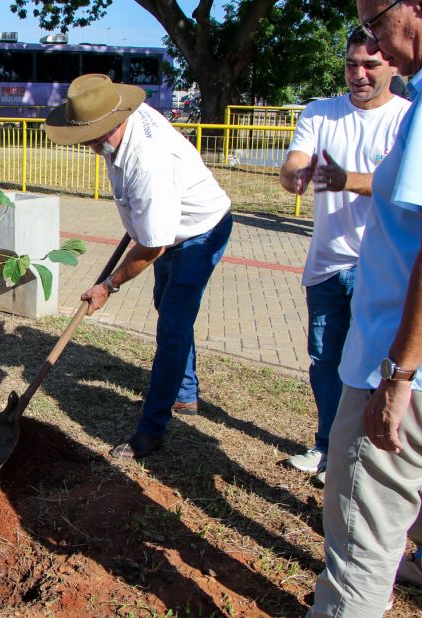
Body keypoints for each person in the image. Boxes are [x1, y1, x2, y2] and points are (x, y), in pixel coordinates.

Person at [45, 74, 232, 459]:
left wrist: (107, 286)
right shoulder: (127, 116)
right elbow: (149, 232)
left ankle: (152, 429)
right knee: (167, 304)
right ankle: (184, 393)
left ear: (115, 121)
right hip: (168, 227)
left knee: (172, 328)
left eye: (96, 137)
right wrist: (139, 218)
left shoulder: (148, 163)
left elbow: (152, 247)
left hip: (198, 233)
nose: (91, 145)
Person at [308, 0, 422, 614]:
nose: (370, 42)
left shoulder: (419, 109)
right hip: (392, 353)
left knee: (359, 540)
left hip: (397, 366)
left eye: (376, 22)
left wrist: (401, 374)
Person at [279, 28, 409, 486]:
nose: (359, 74)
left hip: (379, 270)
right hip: (326, 265)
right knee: (325, 362)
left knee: (371, 369)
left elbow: (391, 185)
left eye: (370, 65)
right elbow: (294, 162)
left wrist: (345, 179)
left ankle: (362, 459)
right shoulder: (321, 113)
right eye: (352, 64)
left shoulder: (407, 119)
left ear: (391, 65)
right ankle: (327, 446)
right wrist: (297, 174)